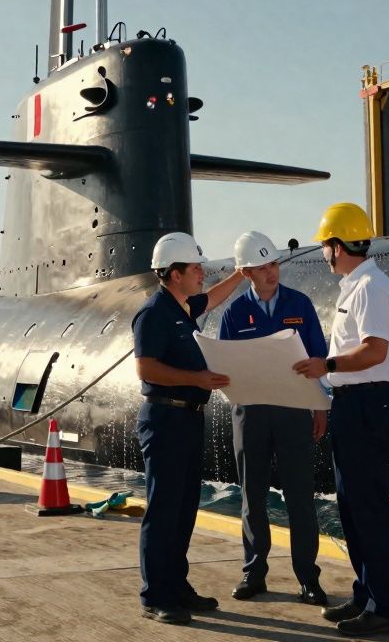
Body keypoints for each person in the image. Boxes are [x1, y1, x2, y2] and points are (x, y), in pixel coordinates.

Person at [293, 202, 389, 636]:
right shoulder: (356, 286)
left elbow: (375, 350)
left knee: (370, 509)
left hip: (366, 404)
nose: (324, 253)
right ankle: (366, 594)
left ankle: (385, 608)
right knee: (353, 506)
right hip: (352, 405)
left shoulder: (371, 288)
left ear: (337, 246)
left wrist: (328, 365)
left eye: (325, 245)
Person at [132, 231, 245, 625]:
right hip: (164, 419)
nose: (202, 272)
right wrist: (196, 379)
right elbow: (145, 367)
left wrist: (241, 273)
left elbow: (213, 298)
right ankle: (155, 595)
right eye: (195, 267)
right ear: (174, 273)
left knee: (183, 509)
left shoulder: (182, 308)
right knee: (163, 510)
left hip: (188, 420)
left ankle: (177, 586)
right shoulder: (153, 313)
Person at [218, 230, 329, 606]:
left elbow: (319, 360)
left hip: (294, 413)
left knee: (300, 498)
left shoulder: (301, 304)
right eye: (262, 267)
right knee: (252, 498)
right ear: (246, 273)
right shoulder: (234, 313)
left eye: (274, 264)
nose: (272, 272)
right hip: (250, 415)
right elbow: (224, 362)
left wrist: (320, 408)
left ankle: (308, 578)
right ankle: (254, 573)